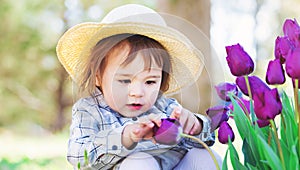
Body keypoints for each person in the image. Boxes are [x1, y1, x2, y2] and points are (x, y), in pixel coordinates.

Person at [56, 4, 221, 170]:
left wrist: (195, 126)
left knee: (204, 155)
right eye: (124, 81)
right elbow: (77, 155)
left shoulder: (164, 107)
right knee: (140, 161)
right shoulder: (89, 110)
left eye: (150, 82)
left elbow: (205, 139)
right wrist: (125, 136)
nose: (137, 93)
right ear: (98, 76)